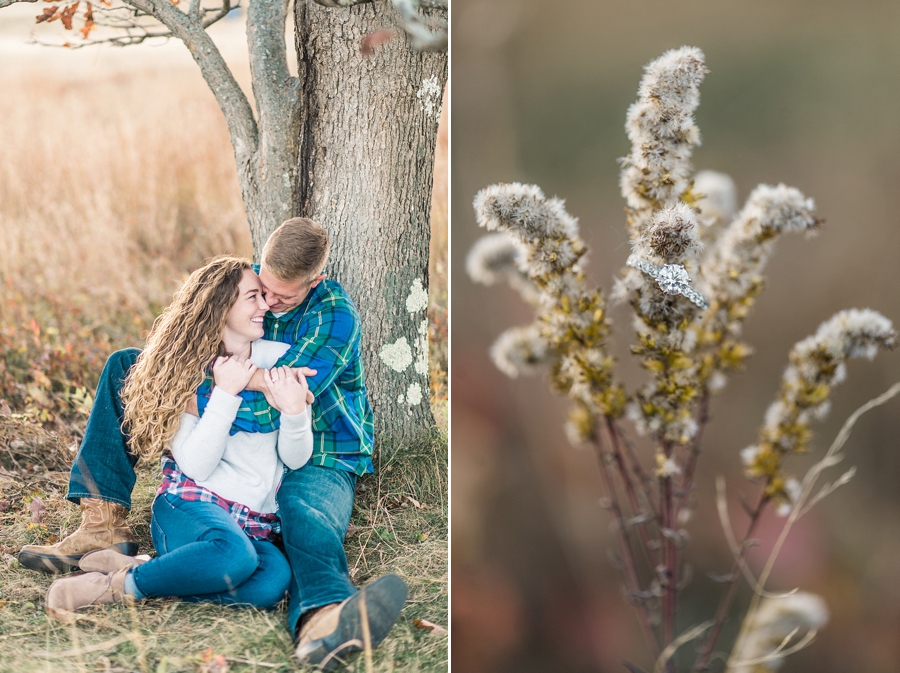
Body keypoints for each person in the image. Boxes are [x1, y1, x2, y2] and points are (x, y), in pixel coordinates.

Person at [19, 218, 406, 668]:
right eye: (263, 290)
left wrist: (191, 396)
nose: (271, 303)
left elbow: (272, 408)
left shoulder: (331, 314)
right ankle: (102, 519)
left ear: (315, 281)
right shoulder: (251, 297)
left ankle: (325, 615)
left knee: (306, 519)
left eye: (285, 296)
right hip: (210, 478)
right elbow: (228, 385)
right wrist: (192, 388)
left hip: (324, 444)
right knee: (128, 366)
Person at [46, 256, 313, 617]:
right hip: (189, 505)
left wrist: (296, 414)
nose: (265, 304)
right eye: (253, 297)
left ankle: (136, 570)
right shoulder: (181, 371)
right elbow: (198, 466)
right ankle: (113, 587)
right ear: (221, 307)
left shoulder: (280, 360)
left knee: (270, 584)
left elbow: (295, 459)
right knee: (233, 555)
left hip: (254, 521)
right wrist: (225, 394)